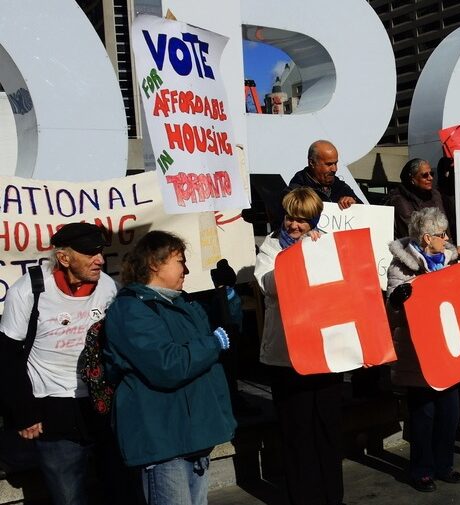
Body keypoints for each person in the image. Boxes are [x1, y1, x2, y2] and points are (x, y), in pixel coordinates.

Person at [0, 223, 133, 505]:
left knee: (119, 488)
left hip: (101, 403)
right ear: (64, 258)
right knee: (69, 496)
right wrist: (24, 411)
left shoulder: (108, 286)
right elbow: (7, 354)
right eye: (89, 253)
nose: (99, 259)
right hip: (53, 406)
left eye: (100, 252)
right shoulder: (28, 291)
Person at [104, 231, 236, 505]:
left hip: (192, 434)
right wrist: (213, 344)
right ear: (154, 263)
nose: (185, 269)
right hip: (164, 440)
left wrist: (227, 297)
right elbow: (169, 365)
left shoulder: (180, 303)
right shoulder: (131, 310)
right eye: (179, 260)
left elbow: (219, 337)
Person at [254, 188, 347, 505]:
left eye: (302, 221)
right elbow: (270, 284)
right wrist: (298, 256)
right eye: (290, 217)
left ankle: (331, 498)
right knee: (297, 436)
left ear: (314, 222)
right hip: (286, 358)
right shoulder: (270, 248)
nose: (293, 225)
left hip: (326, 355)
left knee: (327, 432)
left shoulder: (328, 244)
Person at [386, 207, 460, 492]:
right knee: (424, 416)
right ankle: (421, 469)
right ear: (427, 237)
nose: (447, 239)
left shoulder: (451, 262)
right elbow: (393, 315)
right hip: (418, 353)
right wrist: (399, 299)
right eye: (442, 234)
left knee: (449, 414)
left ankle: (445, 465)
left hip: (448, 348)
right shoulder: (400, 267)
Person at [288, 140, 360, 209]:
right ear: (312, 163)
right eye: (329, 164)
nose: (334, 169)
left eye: (335, 163)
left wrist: (353, 203)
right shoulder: (295, 191)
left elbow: (365, 213)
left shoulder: (340, 187)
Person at [387, 158, 448, 240]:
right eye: (425, 175)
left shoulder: (435, 195)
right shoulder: (400, 199)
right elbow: (411, 234)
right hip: (415, 247)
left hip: (440, 244)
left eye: (432, 174)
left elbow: (445, 226)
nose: (430, 178)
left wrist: (450, 248)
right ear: (412, 178)